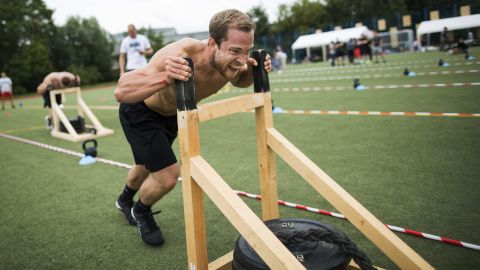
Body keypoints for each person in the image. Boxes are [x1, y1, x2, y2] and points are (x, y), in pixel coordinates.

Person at [114, 9, 272, 247]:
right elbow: (122, 91)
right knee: (167, 176)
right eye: (235, 51)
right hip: (140, 112)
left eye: (247, 51)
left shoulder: (231, 62)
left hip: (174, 115)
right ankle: (140, 210)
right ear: (212, 43)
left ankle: (124, 200)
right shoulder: (182, 52)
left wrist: (252, 71)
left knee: (145, 166)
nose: (241, 59)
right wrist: (166, 78)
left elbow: (240, 80)